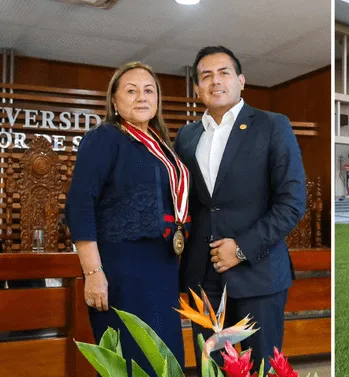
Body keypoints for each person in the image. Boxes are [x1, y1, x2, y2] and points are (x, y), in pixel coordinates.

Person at [174, 46, 306, 374]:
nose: (215, 81)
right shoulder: (187, 137)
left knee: (262, 367)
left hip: (258, 274)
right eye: (206, 76)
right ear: (196, 88)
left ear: (241, 80)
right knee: (212, 366)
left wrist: (242, 249)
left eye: (224, 73)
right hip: (203, 279)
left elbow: (291, 202)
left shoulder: (272, 126)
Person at [65, 62, 187, 375]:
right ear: (115, 101)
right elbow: (80, 204)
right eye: (130, 91)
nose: (141, 97)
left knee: (164, 357)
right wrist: (93, 272)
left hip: (162, 266)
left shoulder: (162, 145)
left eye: (149, 90)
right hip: (122, 268)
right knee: (131, 359)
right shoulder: (104, 138)